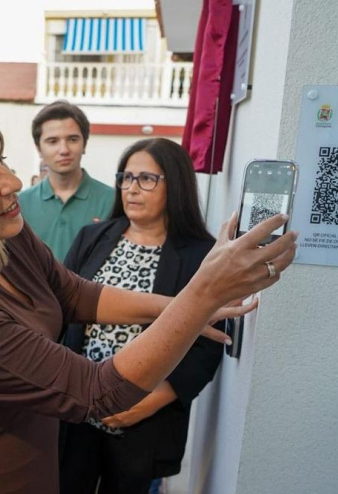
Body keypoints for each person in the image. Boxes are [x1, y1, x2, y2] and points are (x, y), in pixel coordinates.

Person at [0, 100, 297, 493]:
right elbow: (99, 392)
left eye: (2, 163)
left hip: (39, 455)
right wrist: (202, 293)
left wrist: (179, 306)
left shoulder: (2, 237)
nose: (13, 182)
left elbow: (76, 294)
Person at [58, 138, 224, 494]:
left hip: (146, 419)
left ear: (175, 184)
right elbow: (62, 311)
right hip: (79, 412)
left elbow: (207, 347)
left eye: (146, 179)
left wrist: (149, 402)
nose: (132, 189)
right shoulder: (92, 236)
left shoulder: (201, 256)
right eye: (126, 177)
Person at [18, 100, 114, 260]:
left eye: (73, 139)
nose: (64, 150)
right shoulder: (19, 204)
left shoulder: (112, 201)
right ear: (39, 149)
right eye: (52, 141)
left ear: (84, 144)